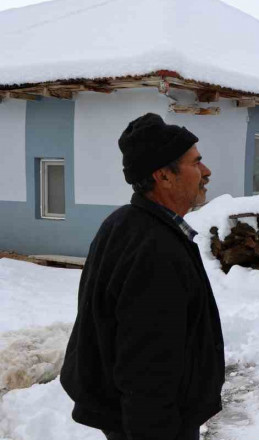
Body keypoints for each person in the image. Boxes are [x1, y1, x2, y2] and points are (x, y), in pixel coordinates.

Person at [60, 113, 225, 440]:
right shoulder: (155, 249)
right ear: (164, 176)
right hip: (155, 425)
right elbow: (147, 367)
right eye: (196, 163)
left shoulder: (128, 223)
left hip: (135, 418)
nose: (206, 172)